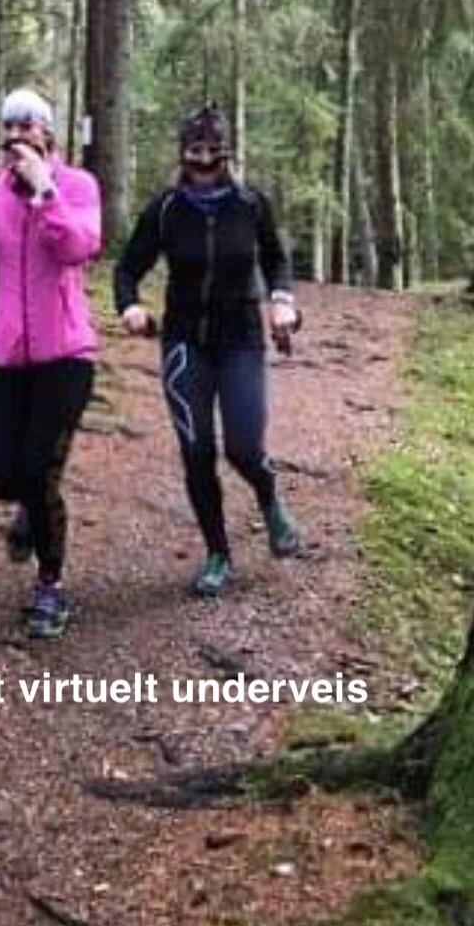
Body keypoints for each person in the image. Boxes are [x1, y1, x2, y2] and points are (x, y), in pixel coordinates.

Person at [113, 103, 302, 596]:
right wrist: (129, 306)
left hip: (241, 339)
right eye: (194, 151)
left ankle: (269, 498)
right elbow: (127, 267)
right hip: (184, 343)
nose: (203, 162)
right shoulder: (166, 209)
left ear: (228, 153)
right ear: (181, 154)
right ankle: (218, 553)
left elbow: (277, 260)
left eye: (213, 151)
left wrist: (283, 303)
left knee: (243, 446)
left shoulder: (251, 204)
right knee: (197, 450)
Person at [0, 88, 101, 639]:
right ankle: (27, 507)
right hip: (3, 356)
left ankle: (50, 586)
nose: (17, 137)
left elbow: (79, 247)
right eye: (9, 127)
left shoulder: (77, 184)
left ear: (48, 133)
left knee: (38, 473)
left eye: (28, 126)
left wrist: (44, 191)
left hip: (65, 357)